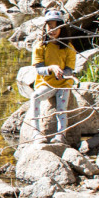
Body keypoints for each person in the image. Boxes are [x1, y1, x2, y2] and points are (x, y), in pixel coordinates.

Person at [30, 9, 80, 141]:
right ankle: (36, 132)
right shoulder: (40, 46)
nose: (52, 30)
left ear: (61, 29)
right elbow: (38, 69)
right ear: (45, 27)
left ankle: (61, 135)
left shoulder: (69, 48)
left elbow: (69, 69)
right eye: (50, 26)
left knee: (61, 108)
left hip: (63, 84)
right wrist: (51, 68)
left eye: (56, 27)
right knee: (35, 97)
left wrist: (63, 74)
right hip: (46, 84)